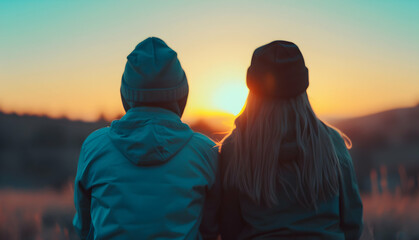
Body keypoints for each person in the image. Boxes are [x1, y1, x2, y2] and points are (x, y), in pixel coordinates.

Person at [73, 37, 219, 240]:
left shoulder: (94, 147)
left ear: (126, 95)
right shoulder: (206, 152)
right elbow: (212, 229)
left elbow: (84, 227)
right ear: (182, 95)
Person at [218, 41, 363, 240]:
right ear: (303, 89)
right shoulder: (332, 143)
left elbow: (229, 230)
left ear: (252, 92)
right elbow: (352, 222)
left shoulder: (235, 149)